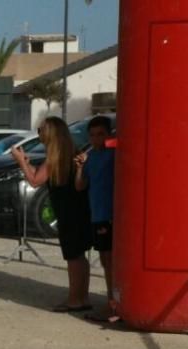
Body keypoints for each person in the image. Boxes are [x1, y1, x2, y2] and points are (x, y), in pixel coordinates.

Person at [12, 116, 93, 312]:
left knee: (73, 256)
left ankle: (74, 299)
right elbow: (40, 175)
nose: (38, 134)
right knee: (80, 256)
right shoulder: (70, 154)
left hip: (68, 211)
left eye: (41, 130)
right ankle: (82, 297)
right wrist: (28, 165)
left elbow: (34, 181)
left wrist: (21, 162)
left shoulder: (54, 158)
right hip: (79, 209)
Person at [75, 115, 116, 322]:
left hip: (110, 214)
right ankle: (112, 301)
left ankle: (113, 304)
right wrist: (80, 167)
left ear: (109, 134)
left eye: (100, 134)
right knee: (105, 259)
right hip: (97, 213)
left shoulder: (114, 155)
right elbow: (80, 186)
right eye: (92, 135)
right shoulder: (91, 157)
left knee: (111, 261)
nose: (96, 139)